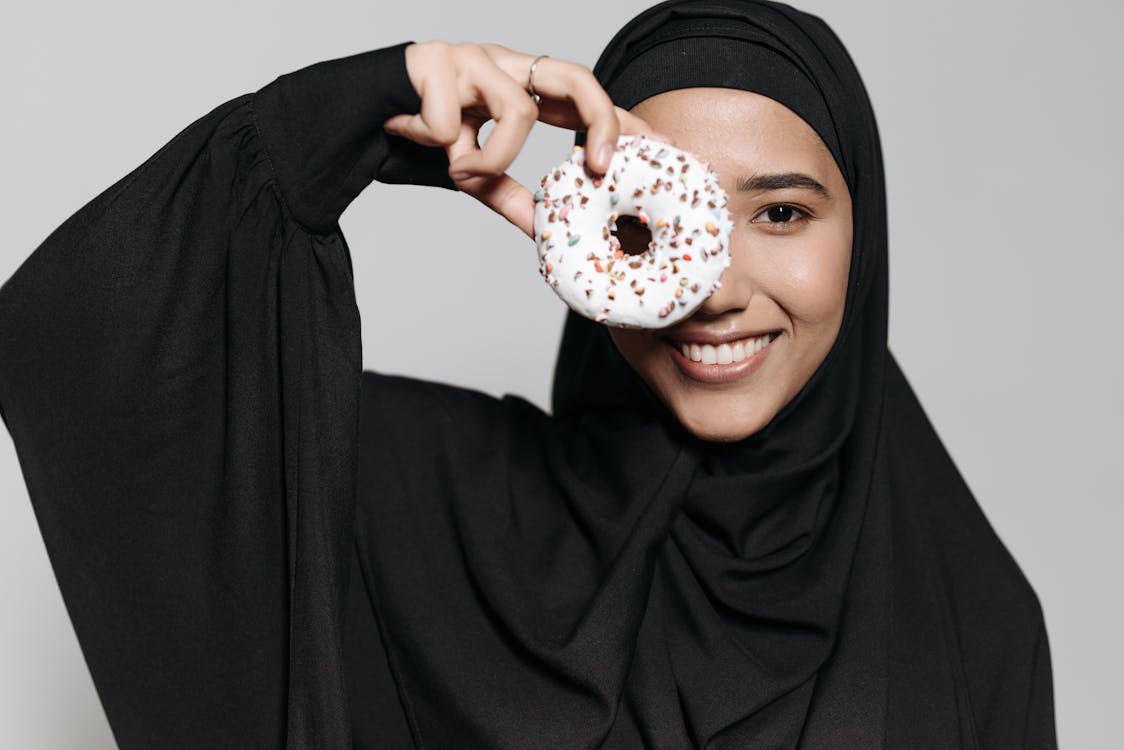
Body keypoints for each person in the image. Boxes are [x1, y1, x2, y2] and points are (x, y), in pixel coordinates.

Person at [0, 0, 1057, 747]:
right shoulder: (423, 508)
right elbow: (85, 358)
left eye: (779, 213)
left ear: (858, 242)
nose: (718, 288)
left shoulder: (978, 625)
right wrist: (348, 122)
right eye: (657, 221)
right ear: (592, 226)